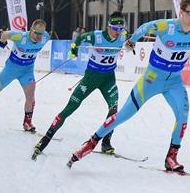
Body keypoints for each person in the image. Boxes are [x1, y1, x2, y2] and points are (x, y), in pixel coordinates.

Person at [67, 0, 190, 172]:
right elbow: (143, 28)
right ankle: (92, 142)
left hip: (174, 82)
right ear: (181, 13)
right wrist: (131, 41)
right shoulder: (167, 26)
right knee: (124, 114)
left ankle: (171, 157)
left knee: (183, 115)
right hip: (152, 80)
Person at [31, 12, 128, 160]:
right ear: (109, 26)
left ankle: (106, 142)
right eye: (115, 28)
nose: (118, 32)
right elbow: (80, 38)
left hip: (109, 78)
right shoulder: (96, 36)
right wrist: (74, 49)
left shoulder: (123, 36)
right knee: (70, 108)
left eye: (121, 29)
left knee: (114, 109)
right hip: (91, 78)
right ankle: (45, 139)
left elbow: (133, 38)